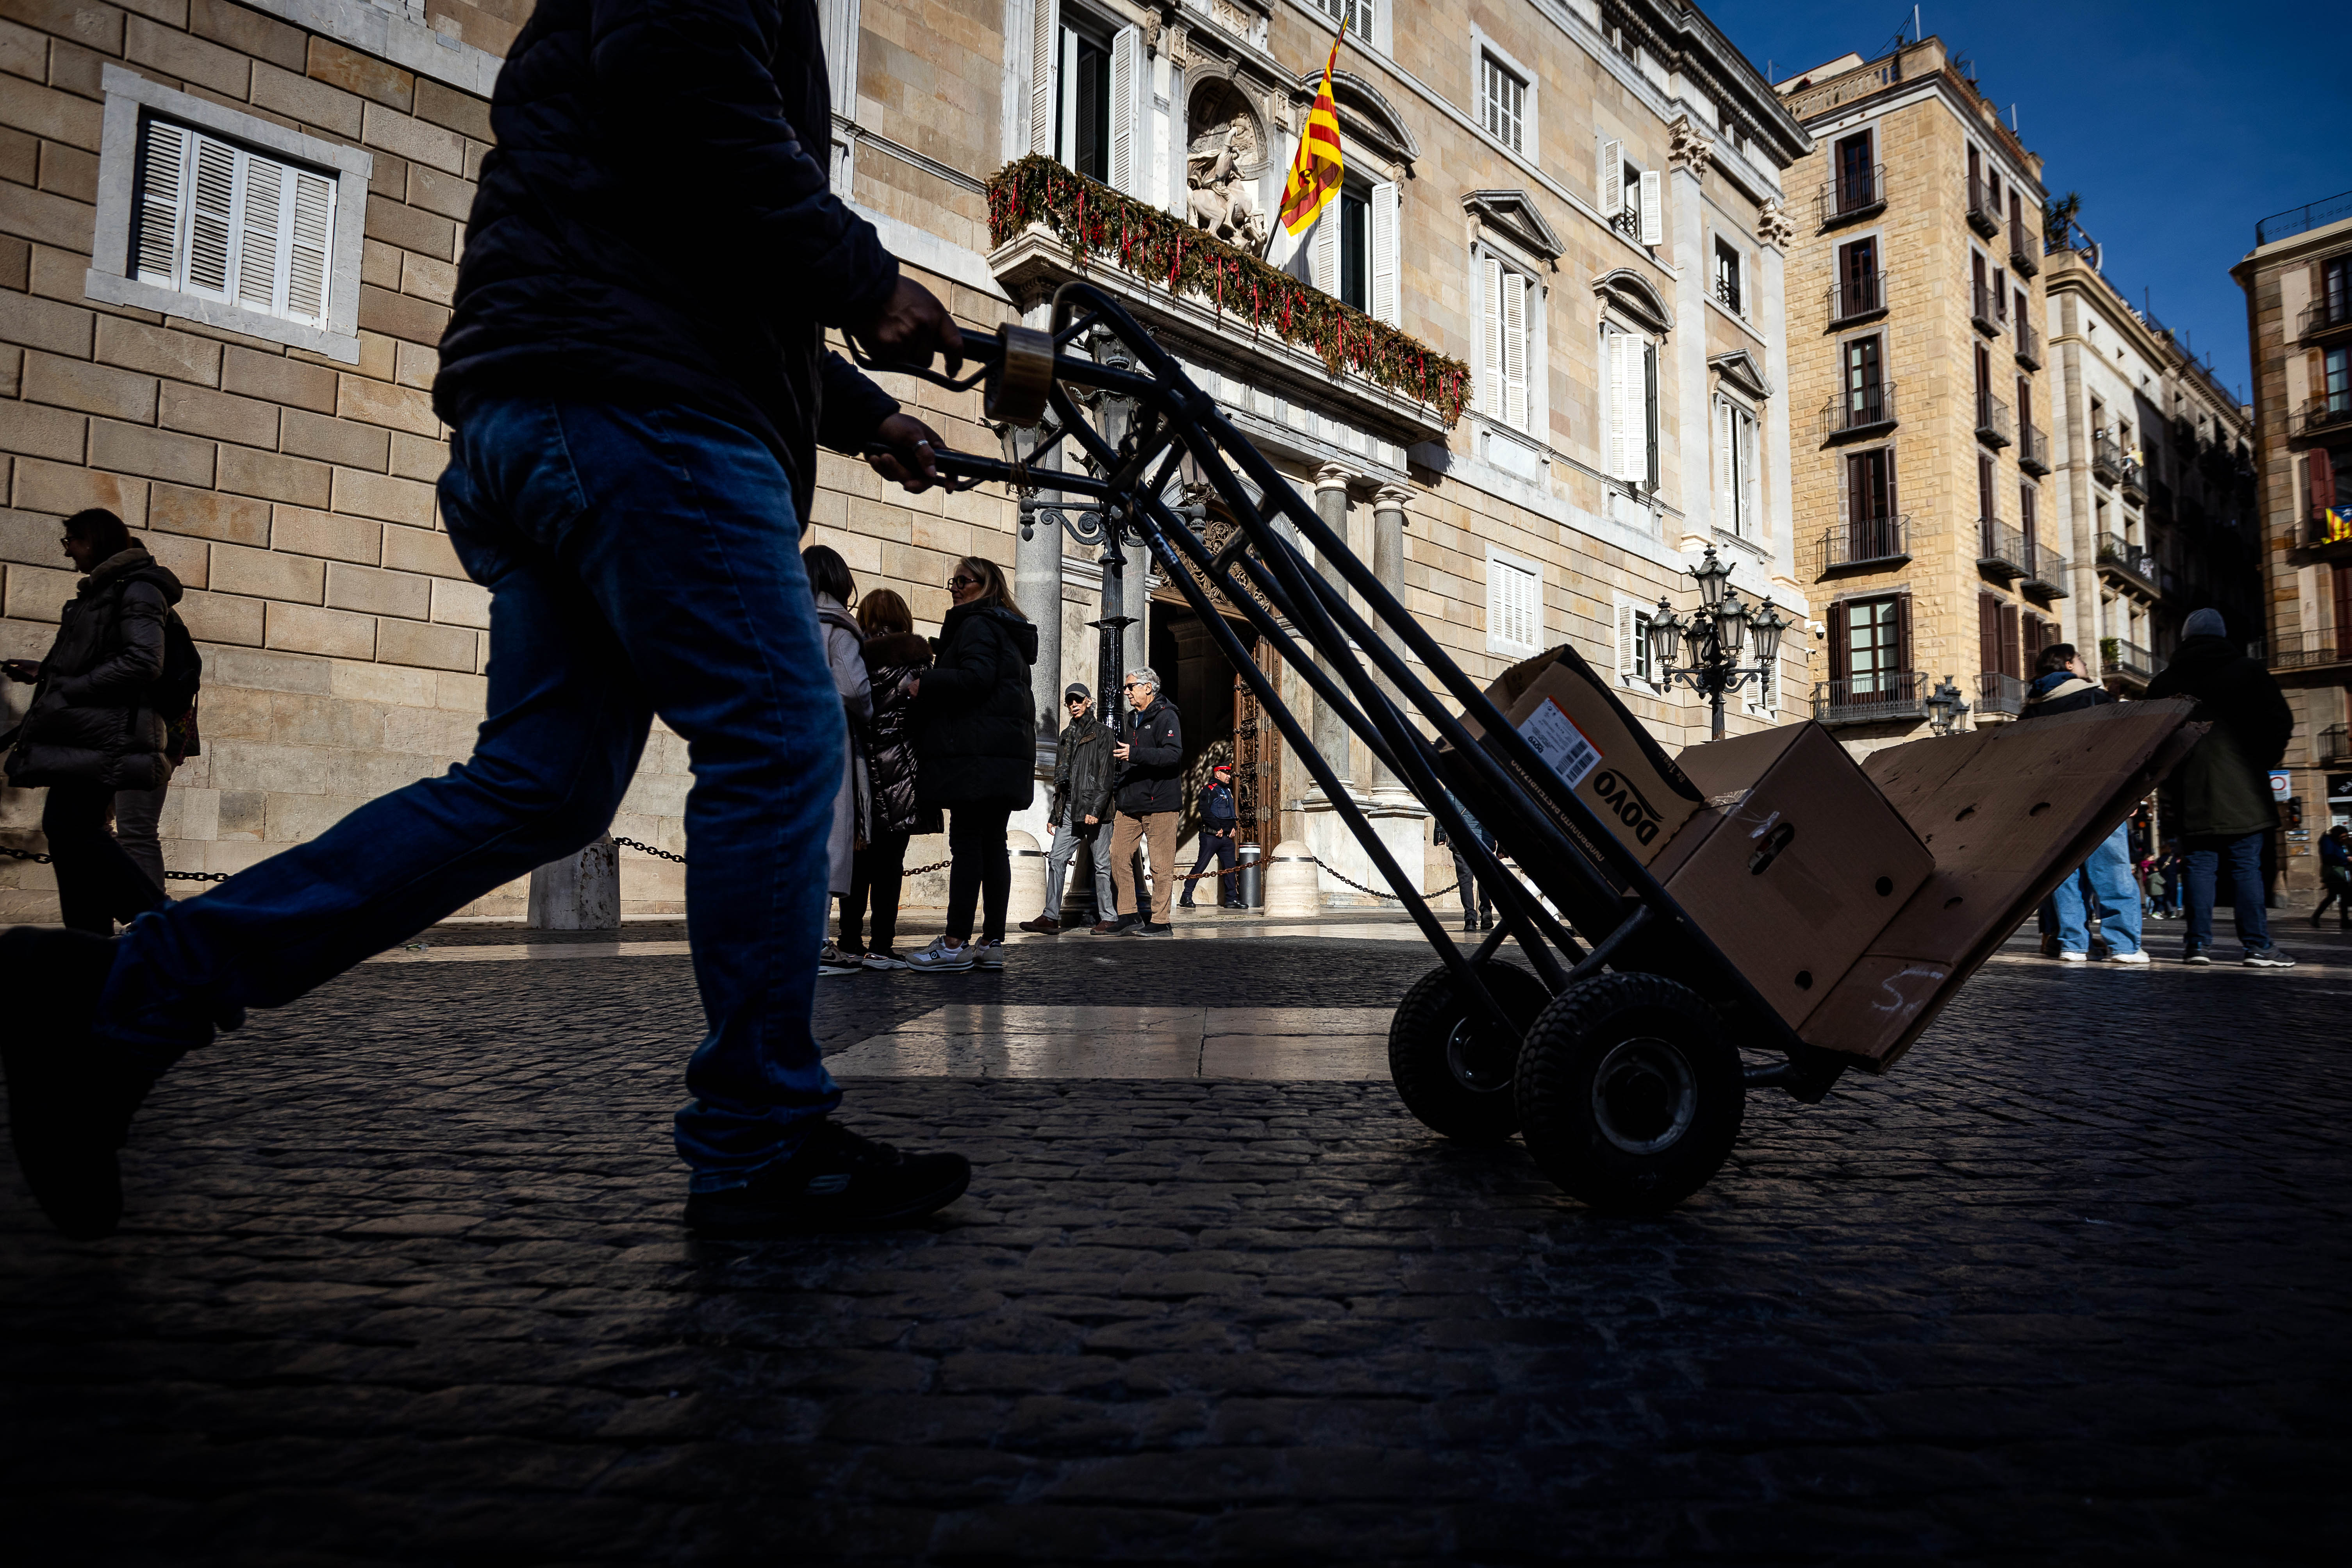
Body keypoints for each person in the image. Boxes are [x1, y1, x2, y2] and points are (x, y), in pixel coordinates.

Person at [0, 0, 974, 1243]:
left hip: (562, 404)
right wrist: (863, 275)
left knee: (538, 789)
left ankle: (125, 999)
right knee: (783, 741)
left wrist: (856, 410)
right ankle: (760, 1136)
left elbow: (681, 222)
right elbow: (688, 99)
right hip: (641, 410)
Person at [1, 509, 184, 936]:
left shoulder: (137, 589)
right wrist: (45, 674)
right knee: (67, 831)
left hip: (105, 732)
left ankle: (161, 917)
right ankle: (89, 942)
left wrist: (72, 688)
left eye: (71, 541)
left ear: (93, 540)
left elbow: (142, 660)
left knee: (71, 826)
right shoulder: (104, 591)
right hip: (86, 730)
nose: (67, 552)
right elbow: (100, 657)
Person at [904, 557, 1037, 973]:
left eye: (963, 580)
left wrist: (926, 683)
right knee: (991, 845)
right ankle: (992, 941)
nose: (954, 588)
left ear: (986, 584)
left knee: (967, 844)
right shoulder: (1007, 631)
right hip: (999, 756)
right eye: (953, 581)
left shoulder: (978, 624)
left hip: (976, 757)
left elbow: (976, 678)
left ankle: (953, 942)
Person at [2146, 607, 2296, 968]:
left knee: (2198, 867)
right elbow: (2281, 722)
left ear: (2184, 639)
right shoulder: (2249, 671)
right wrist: (2261, 759)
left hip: (2189, 791)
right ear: (2222, 635)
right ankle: (2257, 946)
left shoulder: (2165, 683)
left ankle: (2197, 945)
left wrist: (2169, 776)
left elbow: (2148, 738)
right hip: (2243, 786)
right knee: (2246, 867)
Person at [2018, 643, 2147, 964]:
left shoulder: (2031, 708)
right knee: (2113, 871)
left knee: (2065, 876)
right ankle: (2125, 946)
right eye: (2080, 660)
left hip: (2053, 802)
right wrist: (2131, 793)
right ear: (2068, 664)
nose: (2085, 664)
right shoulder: (2094, 698)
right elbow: (2122, 747)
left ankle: (2073, 944)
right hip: (2100, 796)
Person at [841, 589, 934, 969]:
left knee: (857, 864)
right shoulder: (916, 663)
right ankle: (881, 945)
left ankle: (848, 940)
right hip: (903, 775)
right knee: (890, 866)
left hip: (859, 772)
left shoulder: (853, 656)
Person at [805, 545, 870, 978]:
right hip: (826, 739)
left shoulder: (788, 616)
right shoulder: (837, 627)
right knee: (827, 837)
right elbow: (854, 689)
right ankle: (813, 942)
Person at [1021, 684, 1115, 934]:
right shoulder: (1065, 736)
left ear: (1088, 702)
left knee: (1102, 865)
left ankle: (1109, 917)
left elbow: (1106, 777)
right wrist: (1055, 814)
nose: (1073, 704)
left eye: (1078, 700)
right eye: (1069, 701)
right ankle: (1051, 917)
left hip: (1096, 809)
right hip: (1070, 808)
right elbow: (1060, 780)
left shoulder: (1102, 734)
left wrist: (1095, 810)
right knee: (1057, 859)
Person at [1103, 666, 1184, 937]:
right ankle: (1128, 915)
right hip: (1130, 803)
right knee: (1117, 855)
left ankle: (1161, 922)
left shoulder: (1167, 715)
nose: (1126, 692)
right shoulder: (1130, 719)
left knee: (1161, 865)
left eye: (1131, 686)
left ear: (1148, 687)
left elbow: (1173, 755)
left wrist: (1135, 754)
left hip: (1159, 802)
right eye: (1126, 687)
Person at [1178, 763, 1244, 910]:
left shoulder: (1227, 791)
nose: (1229, 776)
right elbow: (1204, 811)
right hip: (1211, 836)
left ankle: (1231, 900)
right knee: (1201, 865)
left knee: (1230, 868)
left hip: (1226, 839)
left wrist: (1233, 826)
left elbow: (1231, 812)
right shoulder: (1209, 790)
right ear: (1217, 774)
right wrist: (1218, 827)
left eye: (1229, 773)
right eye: (1225, 773)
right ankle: (1186, 895)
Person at [1433, 790, 1496, 934]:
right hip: (1484, 840)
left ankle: (1470, 919)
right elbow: (1497, 815)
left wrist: (1440, 834)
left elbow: (1442, 809)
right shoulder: (1485, 785)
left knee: (1465, 880)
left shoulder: (1452, 786)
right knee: (1485, 877)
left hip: (1461, 838)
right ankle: (1486, 912)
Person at [2313, 825, 2351, 930]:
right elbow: (2329, 857)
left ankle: (2345, 921)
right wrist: (2346, 860)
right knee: (2338, 896)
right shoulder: (2328, 842)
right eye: (2343, 836)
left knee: (2337, 896)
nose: (2345, 838)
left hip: (2338, 873)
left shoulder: (2336, 842)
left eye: (2346, 836)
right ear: (2337, 835)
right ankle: (2344, 922)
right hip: (2333, 874)